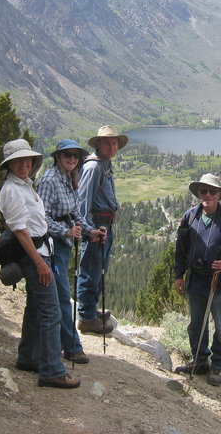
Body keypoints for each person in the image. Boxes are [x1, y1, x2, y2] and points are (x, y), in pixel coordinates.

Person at [0, 138, 80, 389]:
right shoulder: (11, 190)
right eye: (18, 161)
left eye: (27, 160)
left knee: (35, 308)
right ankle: (52, 371)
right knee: (51, 311)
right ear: (9, 164)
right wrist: (40, 264)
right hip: (34, 254)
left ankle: (28, 357)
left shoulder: (24, 185)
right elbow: (21, 231)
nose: (24, 164)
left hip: (42, 250)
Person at [173, 173, 221, 386]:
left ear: (219, 195)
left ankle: (218, 365)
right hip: (195, 279)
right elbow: (180, 250)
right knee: (197, 324)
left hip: (220, 281)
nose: (207, 195)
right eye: (203, 191)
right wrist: (178, 276)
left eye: (212, 191)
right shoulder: (190, 217)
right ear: (198, 193)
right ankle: (199, 360)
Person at [37, 139, 106, 364]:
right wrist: (65, 232)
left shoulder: (68, 178)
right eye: (68, 155)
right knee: (62, 298)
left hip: (63, 245)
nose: (72, 159)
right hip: (51, 246)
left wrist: (89, 231)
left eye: (76, 156)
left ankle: (59, 344)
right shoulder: (49, 180)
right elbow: (41, 218)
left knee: (60, 296)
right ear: (58, 156)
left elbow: (76, 213)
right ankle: (72, 347)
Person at [76, 125, 127, 334]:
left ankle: (91, 310)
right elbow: (82, 202)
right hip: (96, 226)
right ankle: (86, 317)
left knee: (98, 269)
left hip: (105, 224)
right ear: (98, 144)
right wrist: (88, 230)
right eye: (107, 143)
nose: (112, 146)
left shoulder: (105, 164)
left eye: (114, 143)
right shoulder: (93, 167)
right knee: (90, 269)